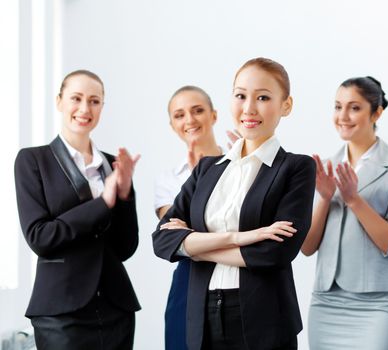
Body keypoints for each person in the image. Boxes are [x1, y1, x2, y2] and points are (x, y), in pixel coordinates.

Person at [152, 57, 316, 350]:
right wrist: (238, 238)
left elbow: (275, 253)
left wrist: (196, 249)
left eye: (263, 97)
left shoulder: (296, 168)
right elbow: (162, 241)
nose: (249, 108)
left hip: (263, 317)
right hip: (200, 313)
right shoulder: (206, 169)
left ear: (286, 105)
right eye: (240, 95)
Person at [14, 70, 141, 350]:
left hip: (115, 307)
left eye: (94, 101)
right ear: (60, 102)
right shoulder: (33, 160)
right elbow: (40, 237)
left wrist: (124, 195)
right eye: (76, 98)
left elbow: (125, 248)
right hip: (60, 311)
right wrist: (102, 203)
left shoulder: (113, 164)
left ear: (102, 108)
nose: (85, 109)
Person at [301, 76, 388, 350]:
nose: (343, 116)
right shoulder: (324, 167)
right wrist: (325, 198)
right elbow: (307, 248)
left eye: (354, 108)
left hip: (380, 302)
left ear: (377, 112)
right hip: (327, 301)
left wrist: (354, 199)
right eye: (337, 106)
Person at [154, 85, 222, 350]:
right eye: (179, 115)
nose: (190, 120)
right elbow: (172, 236)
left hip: (242, 275)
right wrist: (197, 179)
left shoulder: (243, 163)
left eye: (198, 111)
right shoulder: (169, 179)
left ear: (214, 115)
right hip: (190, 278)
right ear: (172, 125)